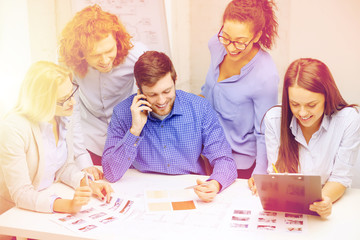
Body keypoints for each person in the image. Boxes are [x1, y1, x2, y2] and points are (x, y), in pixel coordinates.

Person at [102, 51, 237, 202]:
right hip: (142, 192)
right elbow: (110, 173)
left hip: (189, 191)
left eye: (167, 91)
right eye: (152, 94)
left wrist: (215, 183)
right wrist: (135, 130)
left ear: (175, 80)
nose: (161, 101)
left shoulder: (199, 108)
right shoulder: (122, 112)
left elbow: (224, 160)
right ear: (139, 89)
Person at [0, 61, 113, 216]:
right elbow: (21, 193)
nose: (72, 102)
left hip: (46, 198)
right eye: (64, 99)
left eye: (72, 94)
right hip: (15, 213)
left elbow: (62, 167)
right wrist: (68, 205)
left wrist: (89, 184)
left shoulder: (62, 115)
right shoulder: (14, 128)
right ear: (41, 102)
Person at [264, 58, 360, 218]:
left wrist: (324, 199)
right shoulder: (274, 119)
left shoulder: (348, 120)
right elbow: (275, 173)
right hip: (289, 207)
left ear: (327, 97)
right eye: (294, 104)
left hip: (331, 205)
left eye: (311, 105)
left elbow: (340, 177)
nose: (302, 113)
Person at [200, 0, 279, 185]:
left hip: (240, 163)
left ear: (257, 35)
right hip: (208, 150)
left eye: (240, 42)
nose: (230, 47)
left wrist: (260, 172)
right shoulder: (216, 44)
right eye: (226, 37)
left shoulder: (265, 75)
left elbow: (265, 131)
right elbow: (207, 90)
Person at [58, 4, 147, 168]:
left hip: (127, 135)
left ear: (117, 42)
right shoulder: (69, 64)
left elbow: (158, 94)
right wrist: (82, 160)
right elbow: (71, 113)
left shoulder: (137, 55)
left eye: (109, 50)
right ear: (80, 53)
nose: (105, 60)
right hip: (89, 138)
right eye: (95, 55)